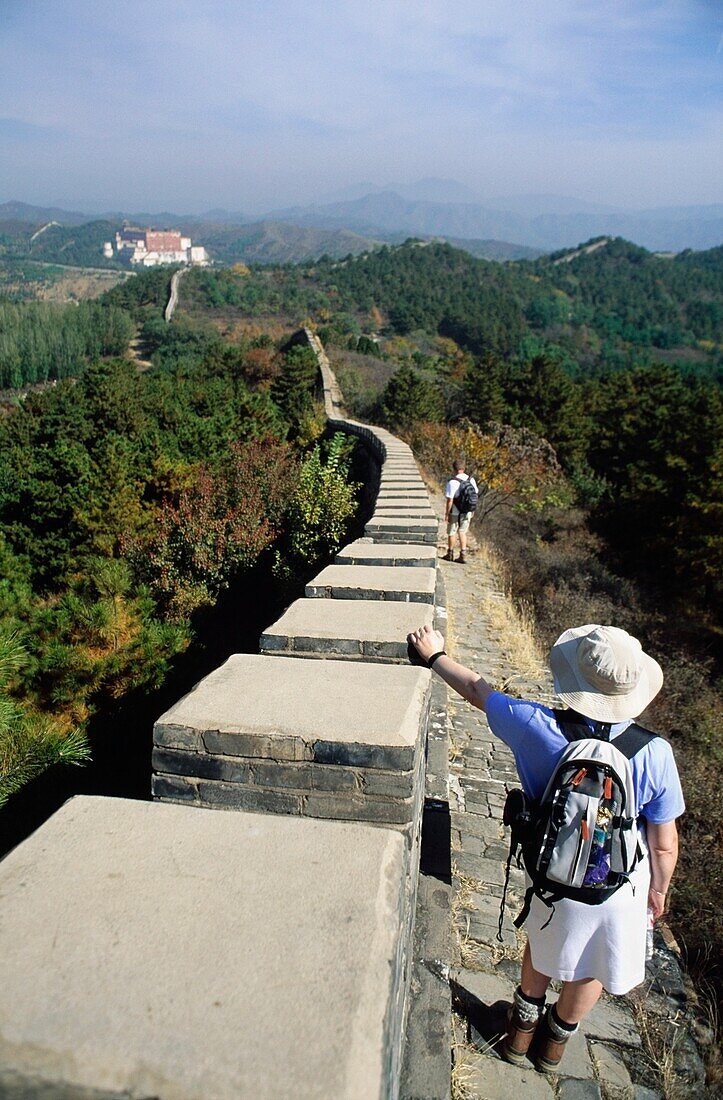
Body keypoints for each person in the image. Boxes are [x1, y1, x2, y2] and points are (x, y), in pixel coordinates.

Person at [407, 621, 684, 1073]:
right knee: (593, 962)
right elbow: (664, 843)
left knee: (544, 938)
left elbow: (479, 692)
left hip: (554, 874)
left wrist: (435, 656)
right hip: (617, 883)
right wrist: (658, 891)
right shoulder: (655, 753)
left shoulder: (538, 725)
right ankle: (553, 1048)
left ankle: (518, 1036)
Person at [444, 458, 477, 564]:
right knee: (462, 532)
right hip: (467, 510)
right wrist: (472, 509)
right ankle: (463, 555)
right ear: (464, 468)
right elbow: (475, 495)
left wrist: (447, 513)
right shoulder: (471, 480)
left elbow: (450, 500)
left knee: (452, 532)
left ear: (454, 469)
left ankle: (450, 553)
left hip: (455, 511)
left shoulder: (452, 482)